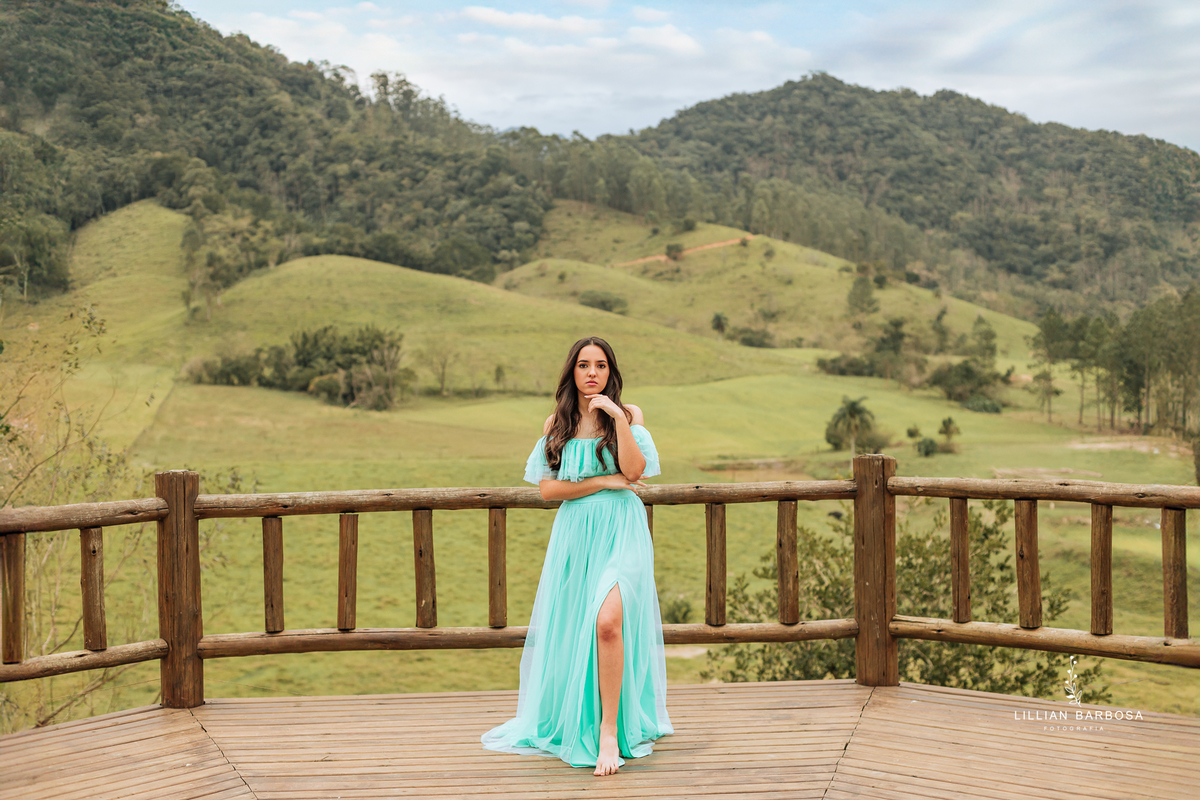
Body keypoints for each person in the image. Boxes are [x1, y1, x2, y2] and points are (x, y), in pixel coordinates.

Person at [481, 336, 673, 776]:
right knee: (576, 625)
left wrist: (616, 418)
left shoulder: (629, 416)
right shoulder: (558, 422)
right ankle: (581, 721)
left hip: (622, 530)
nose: (592, 372)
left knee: (608, 622)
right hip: (576, 533)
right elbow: (549, 489)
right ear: (572, 371)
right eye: (584, 365)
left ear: (611, 372)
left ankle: (609, 733)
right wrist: (603, 484)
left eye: (601, 365)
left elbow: (635, 471)